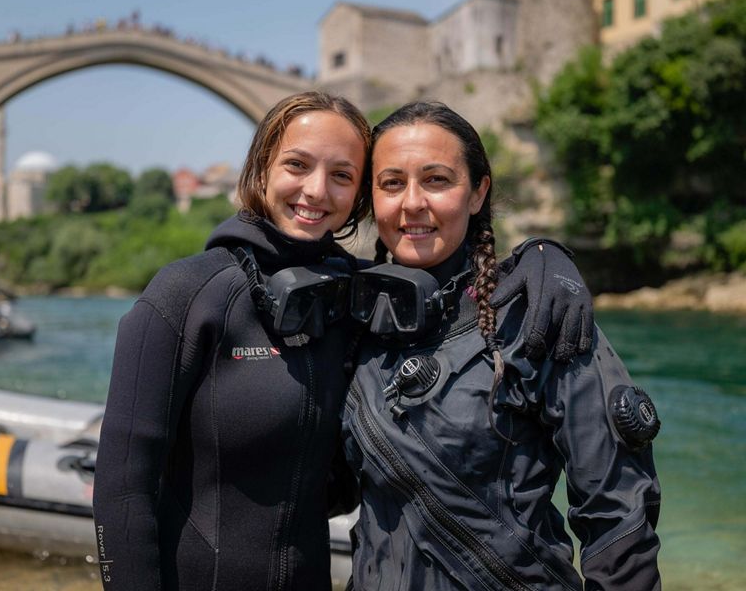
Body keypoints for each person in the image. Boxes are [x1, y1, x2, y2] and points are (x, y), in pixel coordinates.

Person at [93, 91, 592, 591]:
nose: (316, 190)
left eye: (342, 175)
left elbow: (455, 286)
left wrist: (543, 257)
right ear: (261, 168)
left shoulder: (359, 298)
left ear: (359, 195)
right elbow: (122, 490)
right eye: (297, 165)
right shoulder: (186, 294)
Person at [342, 102, 661, 591]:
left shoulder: (537, 313)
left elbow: (618, 516)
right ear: (371, 199)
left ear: (477, 193)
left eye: (436, 180)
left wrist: (546, 250)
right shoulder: (350, 323)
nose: (411, 203)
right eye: (391, 183)